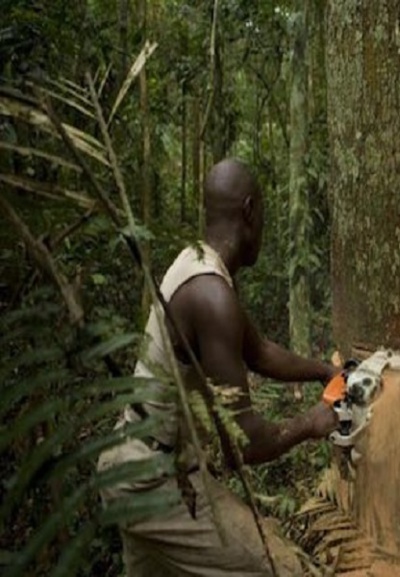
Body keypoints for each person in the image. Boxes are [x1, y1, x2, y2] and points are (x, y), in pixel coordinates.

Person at [97, 158, 339, 576]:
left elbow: (259, 351)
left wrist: (325, 372)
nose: (265, 225)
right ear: (249, 211)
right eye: (264, 212)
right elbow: (241, 446)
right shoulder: (212, 296)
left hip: (135, 466)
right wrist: (310, 423)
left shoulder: (199, 266)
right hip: (154, 481)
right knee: (287, 568)